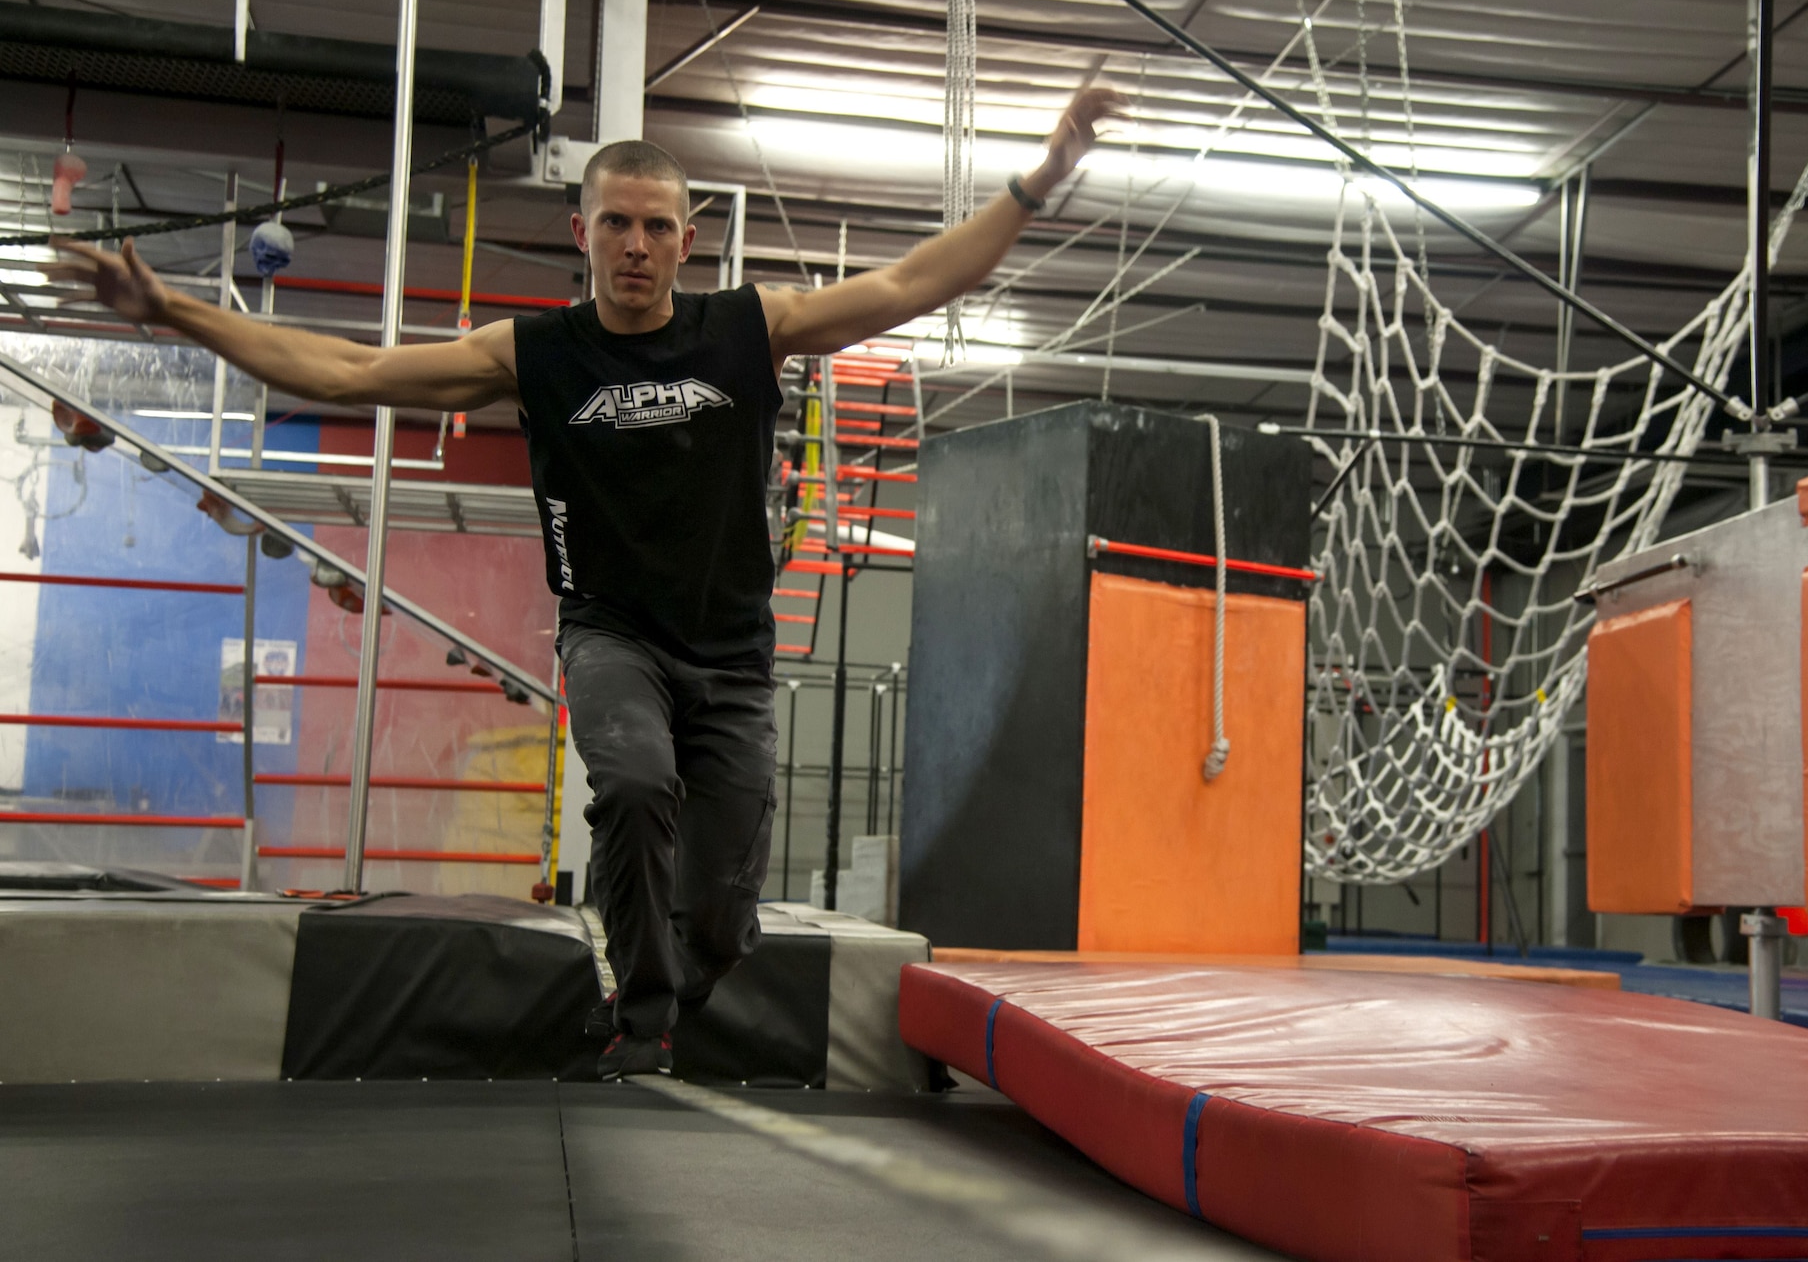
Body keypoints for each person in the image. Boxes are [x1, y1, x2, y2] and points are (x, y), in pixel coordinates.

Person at [47, 85, 1122, 1079]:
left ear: (686, 240)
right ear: (584, 233)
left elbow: (915, 282)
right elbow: (350, 371)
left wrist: (1041, 175)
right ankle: (639, 1012)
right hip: (611, 635)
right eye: (617, 223)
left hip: (733, 652)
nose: (638, 246)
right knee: (638, 781)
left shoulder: (750, 329)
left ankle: (687, 965)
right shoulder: (540, 352)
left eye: (658, 226)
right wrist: (176, 312)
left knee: (722, 913)